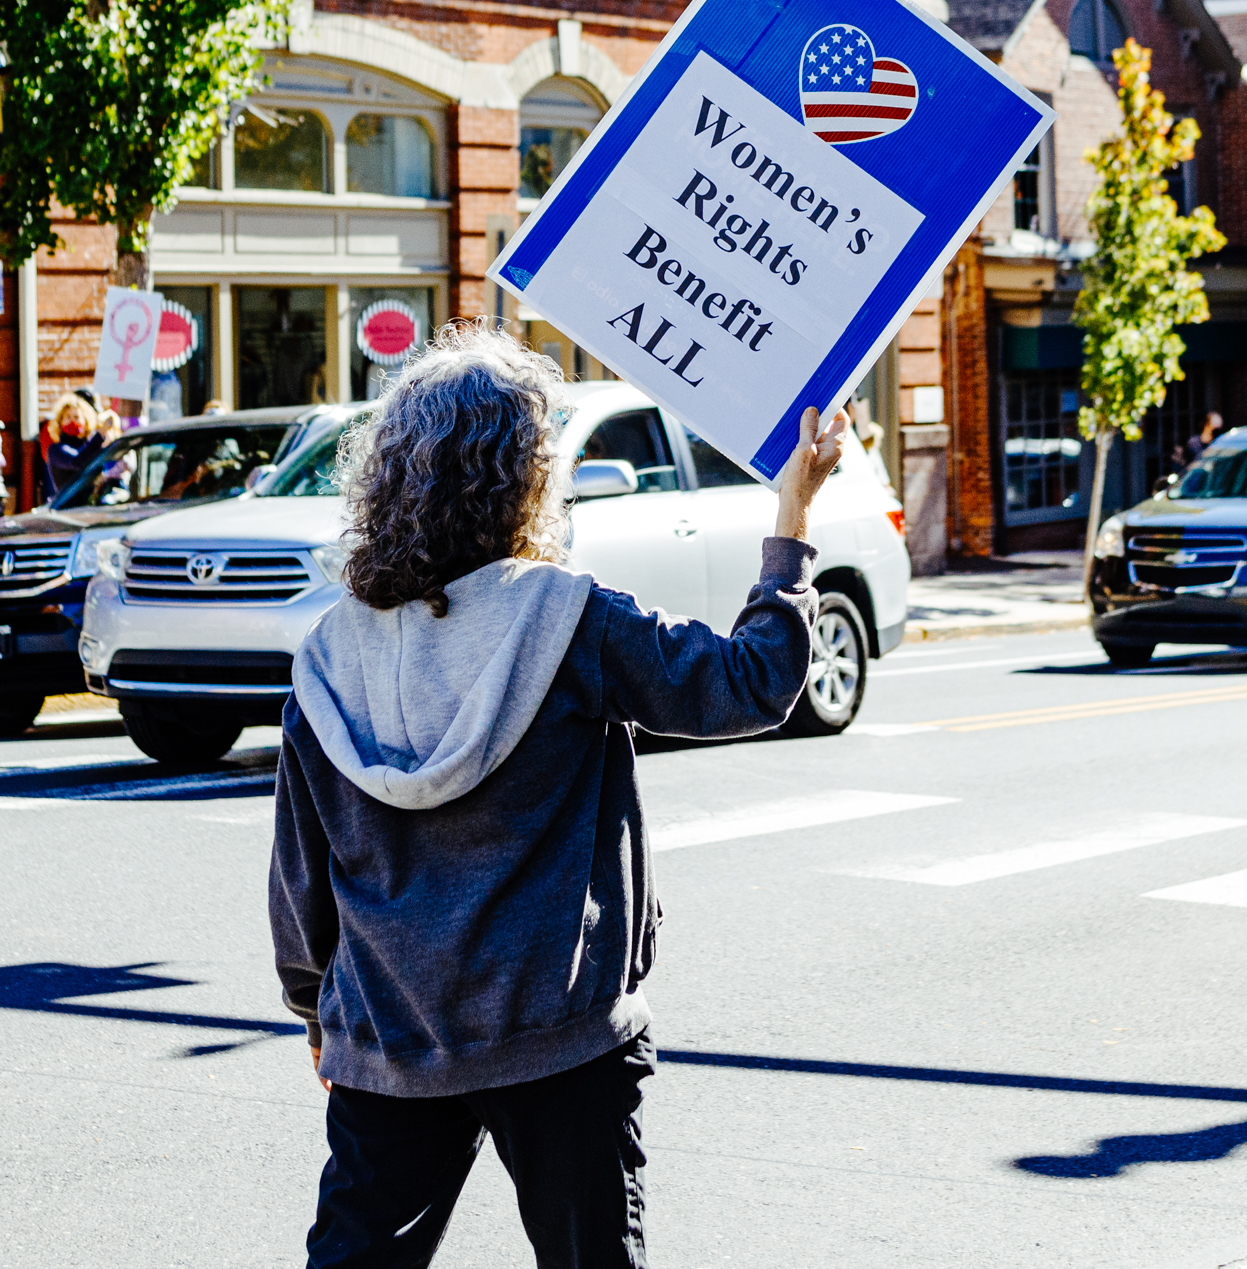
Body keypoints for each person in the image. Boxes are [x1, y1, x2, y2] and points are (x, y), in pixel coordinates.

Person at [270, 322, 845, 1269]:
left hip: (389, 1035)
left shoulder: (329, 654)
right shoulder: (570, 621)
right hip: (561, 1034)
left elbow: (302, 874)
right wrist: (793, 515)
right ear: (524, 480)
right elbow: (752, 682)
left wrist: (319, 1016)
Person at [38, 393, 99, 503]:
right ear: (60, 422)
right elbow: (78, 461)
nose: (72, 421)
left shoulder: (92, 445)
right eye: (68, 417)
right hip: (69, 509)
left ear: (86, 421)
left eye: (76, 417)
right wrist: (100, 436)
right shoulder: (56, 449)